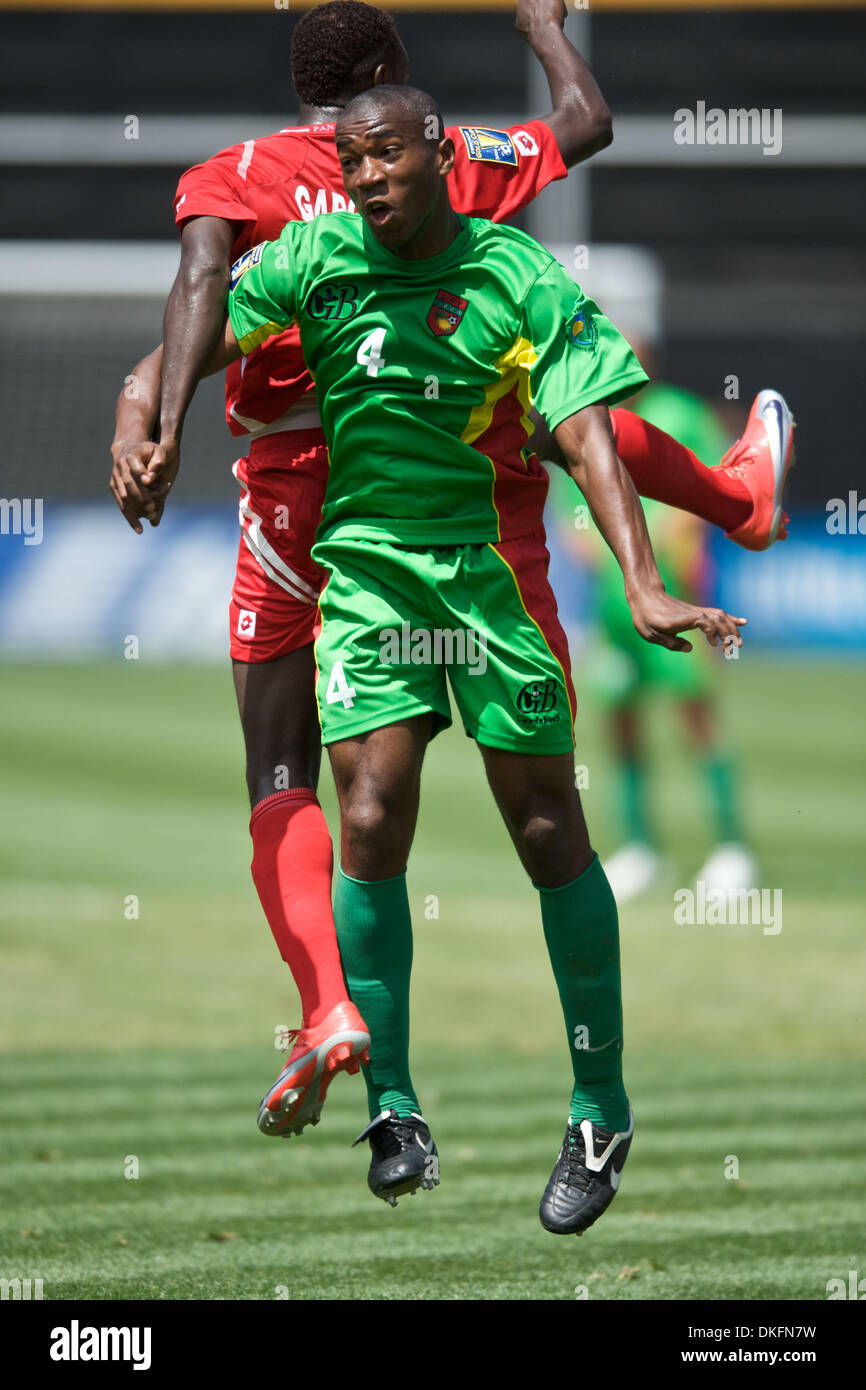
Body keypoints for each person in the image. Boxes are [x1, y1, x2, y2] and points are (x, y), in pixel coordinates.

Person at [110, 1, 793, 1150]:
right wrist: (540, 27)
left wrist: (150, 414)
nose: (373, 175)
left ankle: (329, 1003)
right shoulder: (457, 158)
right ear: (383, 83)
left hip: (301, 487)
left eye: (389, 153)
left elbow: (195, 293)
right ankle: (736, 497)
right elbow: (584, 121)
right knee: (561, 416)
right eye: (362, 153)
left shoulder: (238, 176)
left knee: (286, 769)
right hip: (437, 486)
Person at [547, 354, 760, 902]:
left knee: (696, 717)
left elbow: (710, 489)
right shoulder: (581, 417)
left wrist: (654, 552)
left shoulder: (682, 413)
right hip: (613, 607)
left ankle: (732, 850)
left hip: (680, 596)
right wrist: (616, 559)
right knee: (621, 721)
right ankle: (641, 850)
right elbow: (575, 515)